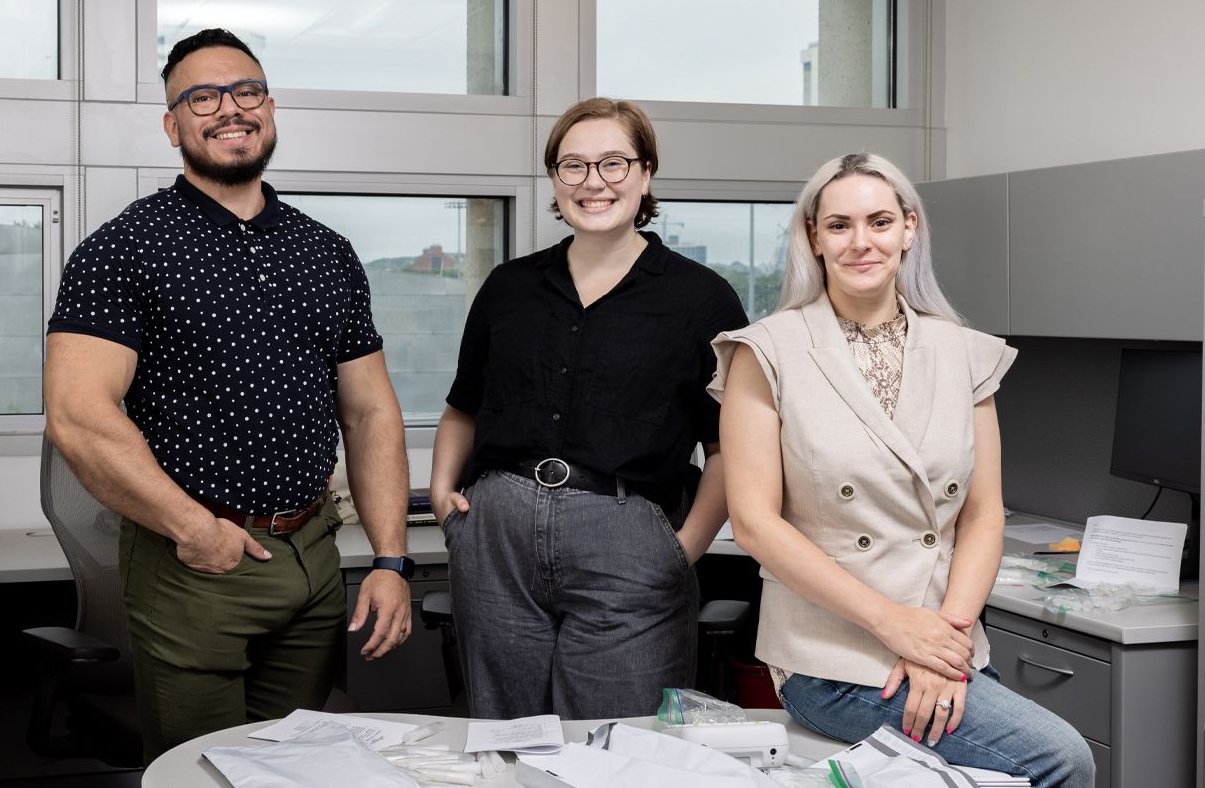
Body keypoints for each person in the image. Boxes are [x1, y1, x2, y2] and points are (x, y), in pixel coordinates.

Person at [43, 28, 414, 762]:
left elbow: (370, 410)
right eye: (202, 96)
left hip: (313, 556)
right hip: (197, 563)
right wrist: (193, 528)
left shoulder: (325, 250)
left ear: (269, 106)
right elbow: (78, 415)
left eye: (246, 91)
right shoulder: (127, 247)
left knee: (295, 766)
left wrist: (390, 560)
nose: (229, 109)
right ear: (172, 123)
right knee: (203, 772)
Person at [711, 153, 1094, 785]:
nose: (861, 241)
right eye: (838, 225)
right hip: (832, 655)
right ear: (813, 237)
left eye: (880, 221)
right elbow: (753, 524)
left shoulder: (963, 351)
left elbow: (981, 517)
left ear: (909, 229)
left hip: (945, 641)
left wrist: (942, 643)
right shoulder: (766, 350)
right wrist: (896, 627)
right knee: (1060, 756)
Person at [429, 97, 749, 720]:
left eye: (612, 163)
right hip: (498, 538)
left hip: (628, 537)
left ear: (646, 172)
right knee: (506, 739)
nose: (592, 182)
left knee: (617, 747)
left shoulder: (700, 298)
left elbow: (729, 449)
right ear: (554, 179)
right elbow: (462, 409)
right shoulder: (509, 288)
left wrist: (684, 549)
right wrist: (446, 498)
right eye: (572, 165)